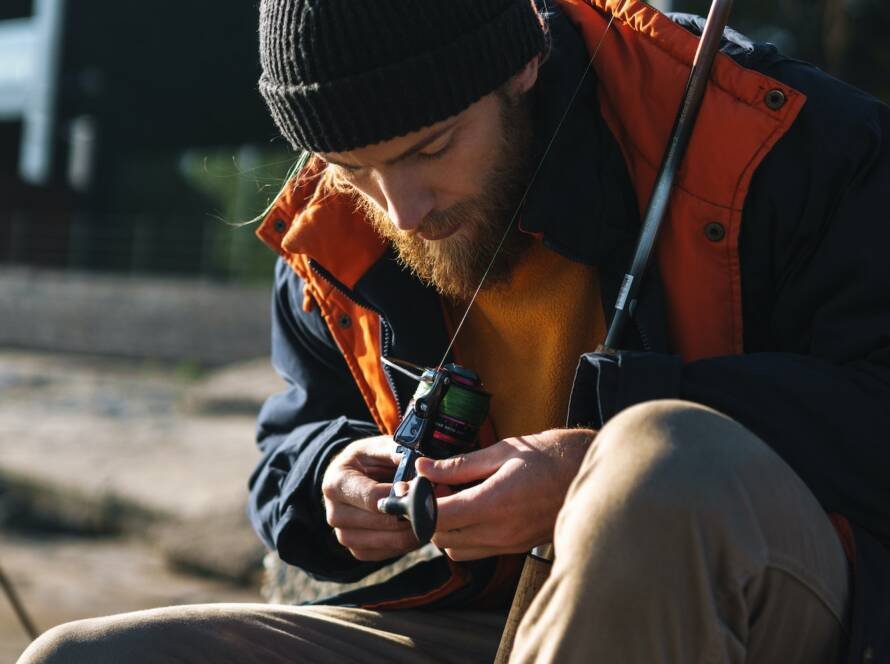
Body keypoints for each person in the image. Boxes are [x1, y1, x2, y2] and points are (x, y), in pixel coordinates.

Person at [19, 0, 890, 662]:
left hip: (758, 610)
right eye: (355, 170)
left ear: (522, 64)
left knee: (658, 465)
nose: (405, 209)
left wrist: (589, 467)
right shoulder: (342, 215)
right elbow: (286, 449)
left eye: (432, 148)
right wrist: (331, 481)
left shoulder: (776, 141)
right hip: (483, 623)